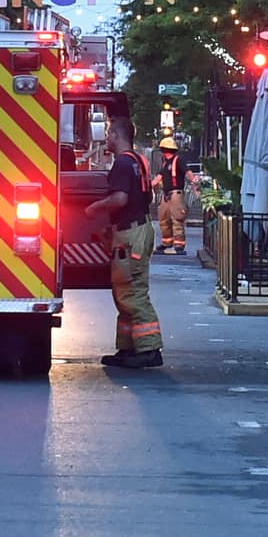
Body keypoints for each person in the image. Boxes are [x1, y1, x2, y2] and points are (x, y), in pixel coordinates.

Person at [83, 116, 164, 369]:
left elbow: (119, 199)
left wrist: (95, 208)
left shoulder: (121, 163)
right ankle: (129, 348)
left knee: (132, 292)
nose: (106, 138)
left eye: (108, 134)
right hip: (138, 230)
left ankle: (149, 349)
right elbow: (145, 196)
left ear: (117, 136)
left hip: (131, 235)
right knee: (124, 292)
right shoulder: (139, 161)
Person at [152, 136, 200, 255]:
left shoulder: (178, 161)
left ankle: (179, 245)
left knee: (177, 219)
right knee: (164, 219)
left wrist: (194, 180)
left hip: (176, 195)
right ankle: (166, 243)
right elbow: (159, 177)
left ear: (164, 149)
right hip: (166, 195)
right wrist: (148, 185)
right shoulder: (165, 163)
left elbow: (187, 172)